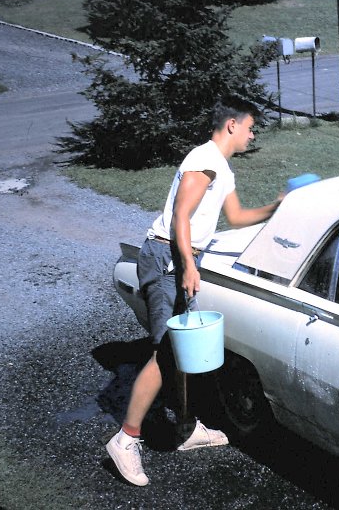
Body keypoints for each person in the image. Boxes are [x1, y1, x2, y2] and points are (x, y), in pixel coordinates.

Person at [106, 101, 282, 486]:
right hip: (166, 256)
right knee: (165, 353)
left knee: (181, 350)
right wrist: (187, 264)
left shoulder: (223, 167)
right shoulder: (203, 160)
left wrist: (279, 206)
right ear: (232, 125)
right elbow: (180, 216)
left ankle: (186, 428)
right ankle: (125, 439)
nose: (252, 135)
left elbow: (236, 217)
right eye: (250, 128)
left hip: (181, 256)